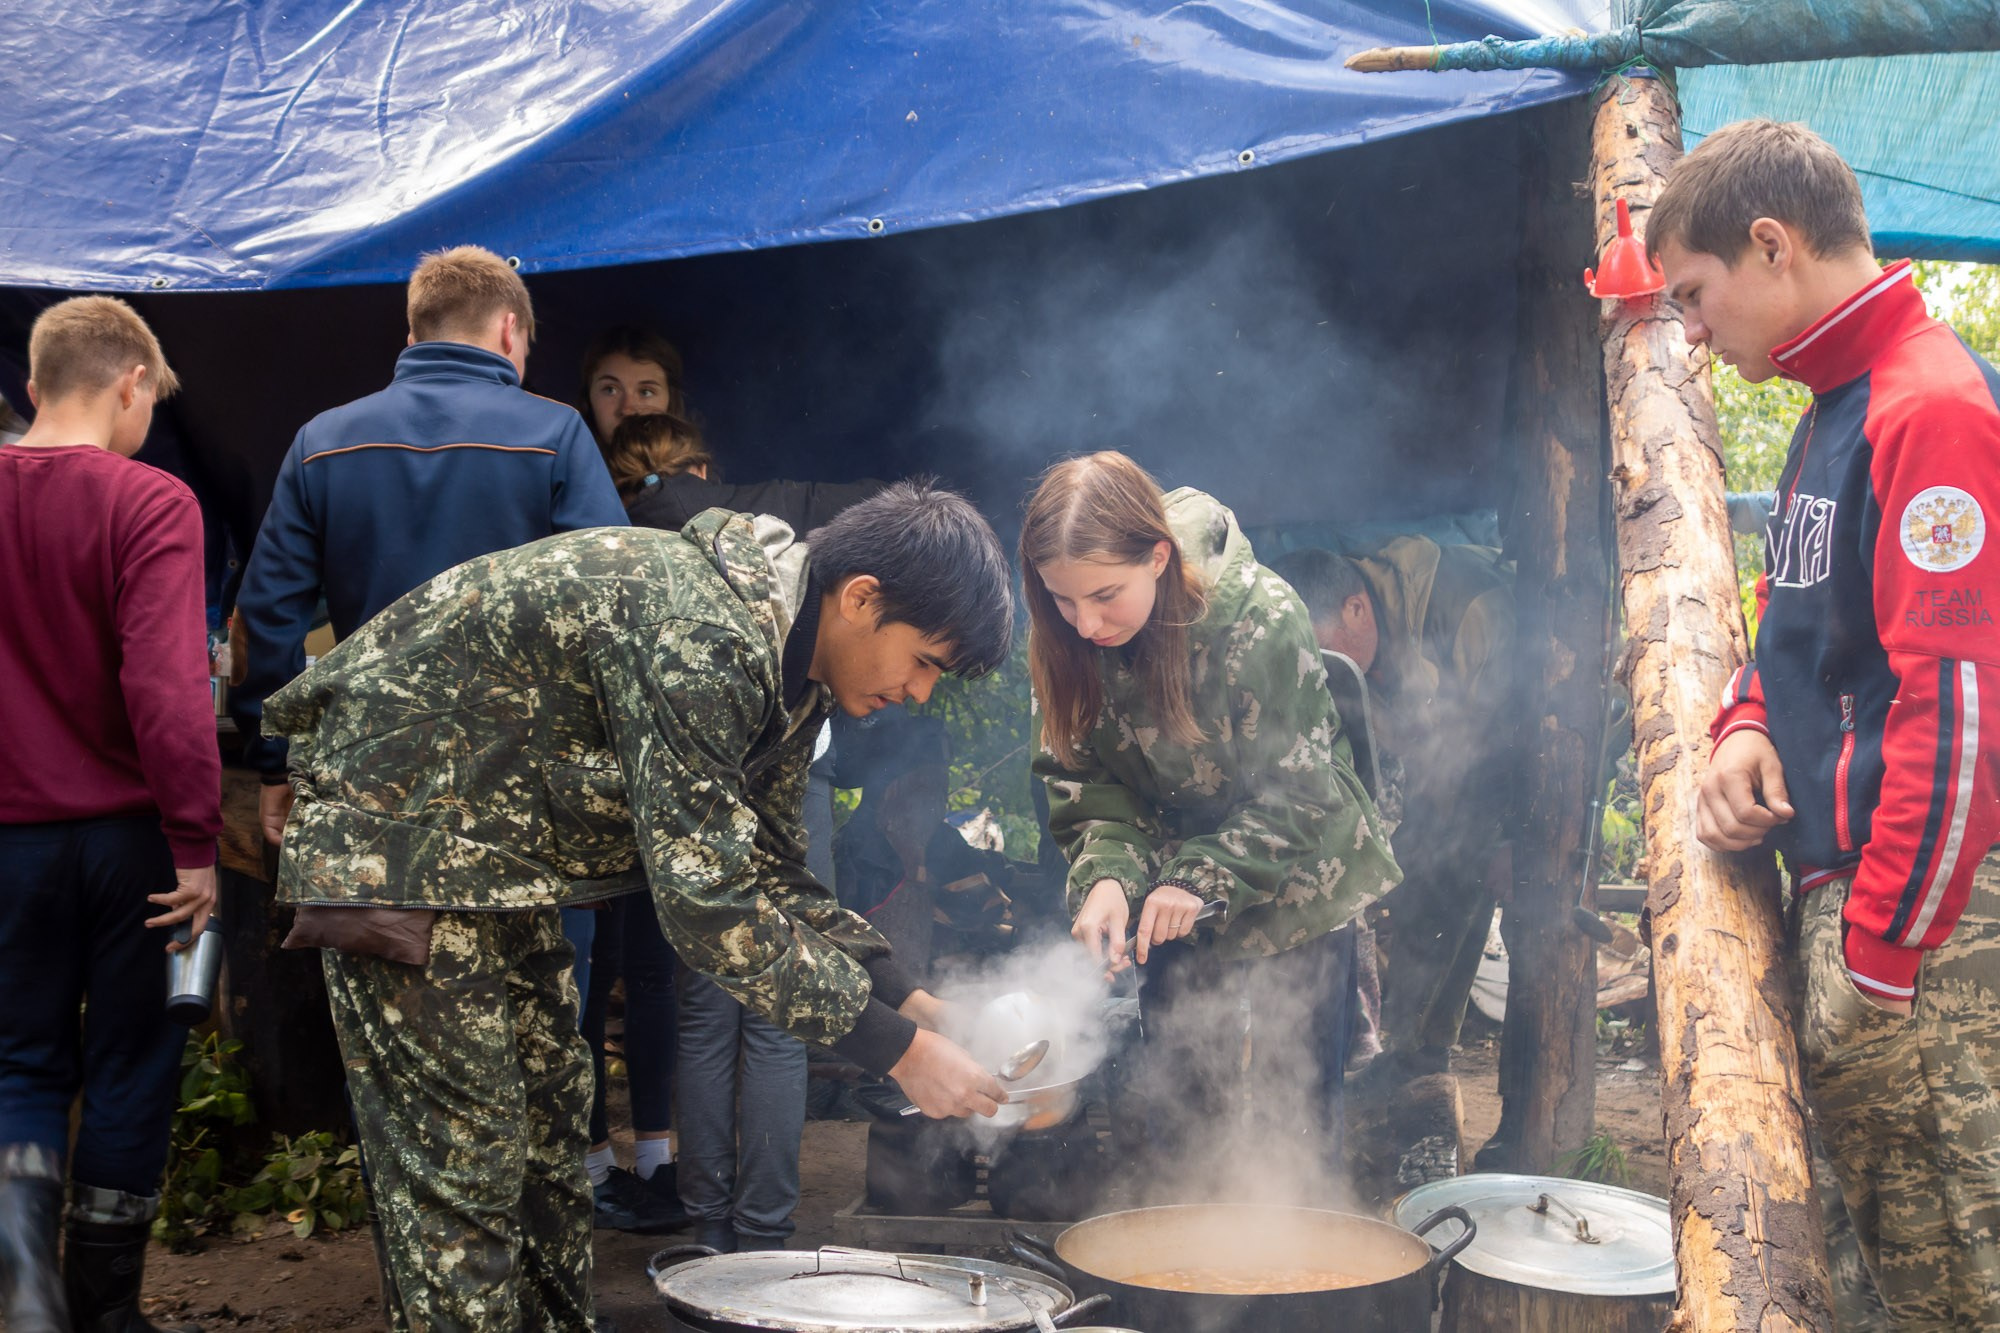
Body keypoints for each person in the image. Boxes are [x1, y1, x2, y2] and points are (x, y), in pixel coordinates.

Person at [263, 481, 1015, 1328]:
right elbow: (711, 905)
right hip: (398, 846)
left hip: (495, 870)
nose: (919, 692)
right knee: (467, 1183)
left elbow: (768, 867)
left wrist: (909, 998)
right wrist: (899, 1051)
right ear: (861, 598)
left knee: (548, 1155)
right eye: (925, 661)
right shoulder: (702, 633)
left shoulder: (793, 670)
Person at [1658, 120, 2000, 1327]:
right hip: (1862, 907)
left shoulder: (1929, 408)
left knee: (1950, 1282)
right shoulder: (1828, 411)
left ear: (1769, 245)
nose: (1690, 332)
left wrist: (1880, 952)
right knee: (1864, 1268)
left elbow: (1959, 711)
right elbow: (1792, 629)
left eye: (1694, 295)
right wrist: (1743, 721)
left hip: (1927, 932)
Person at [231, 246, 627, 1132]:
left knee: (408, 1090)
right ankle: (532, 1258)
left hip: (380, 814)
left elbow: (265, 623)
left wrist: (277, 764)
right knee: (539, 1069)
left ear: (409, 331)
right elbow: (612, 616)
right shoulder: (556, 433)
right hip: (529, 813)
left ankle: (432, 1258)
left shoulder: (322, 441)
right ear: (509, 330)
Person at [1022, 452, 1400, 1190]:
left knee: (1296, 1116)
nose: (1086, 622)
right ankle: (1193, 1292)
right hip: (1169, 900)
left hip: (1297, 877)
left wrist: (1199, 877)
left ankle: (1296, 1292)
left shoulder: (1259, 617)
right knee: (1187, 1105)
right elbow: (1085, 782)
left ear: (1158, 557)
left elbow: (1300, 793)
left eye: (1105, 595)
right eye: (1064, 600)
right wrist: (1105, 879)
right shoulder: (1065, 636)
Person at [0, 298, 217, 1333]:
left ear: (35, 388)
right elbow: (168, 691)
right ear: (130, 381)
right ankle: (105, 1311)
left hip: (6, 843)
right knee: (135, 1057)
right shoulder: (153, 501)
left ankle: (27, 1296)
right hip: (136, 843)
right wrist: (198, 844)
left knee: (19, 1060)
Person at [1269, 542, 1516, 1085]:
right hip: (1439, 781)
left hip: (1517, 779)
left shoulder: (1472, 610)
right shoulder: (1355, 645)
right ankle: (1400, 1064)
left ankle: (1477, 1095)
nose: (1317, 668)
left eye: (1322, 647)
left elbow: (1518, 738)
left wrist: (1514, 839)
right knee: (1415, 890)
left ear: (1356, 609)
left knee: (1494, 907)